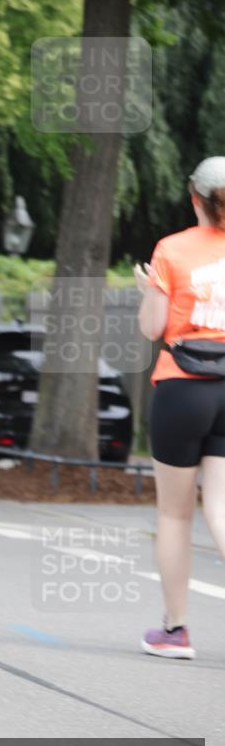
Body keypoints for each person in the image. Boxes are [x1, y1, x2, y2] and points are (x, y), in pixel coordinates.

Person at [135, 156, 225, 660]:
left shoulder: (172, 249)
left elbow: (152, 329)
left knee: (174, 513)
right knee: (223, 506)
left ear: (195, 196)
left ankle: (175, 631)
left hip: (183, 387)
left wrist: (148, 287)